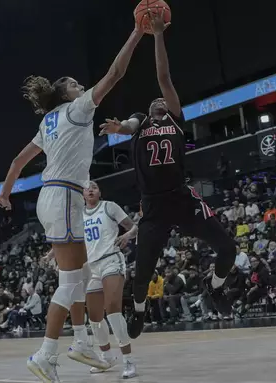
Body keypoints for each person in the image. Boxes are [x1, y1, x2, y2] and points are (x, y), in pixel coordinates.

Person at [0, 19, 144, 383]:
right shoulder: (77, 109)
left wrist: (5, 193)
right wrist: (138, 31)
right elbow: (116, 72)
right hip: (63, 196)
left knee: (75, 276)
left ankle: (79, 341)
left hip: (56, 197)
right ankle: (47, 352)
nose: (82, 87)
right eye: (76, 85)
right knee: (72, 279)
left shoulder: (47, 122)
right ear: (68, 96)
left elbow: (17, 162)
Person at [99, 10, 236, 338]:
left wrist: (158, 34)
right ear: (148, 109)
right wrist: (120, 127)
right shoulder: (140, 122)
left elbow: (164, 78)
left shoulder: (175, 119)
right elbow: (129, 125)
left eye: (164, 100)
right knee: (142, 271)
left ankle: (214, 287)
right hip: (153, 206)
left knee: (228, 249)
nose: (159, 100)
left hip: (181, 197)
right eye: (155, 101)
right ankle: (141, 311)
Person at [82, 180, 138, 378]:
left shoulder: (109, 206)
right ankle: (106, 357)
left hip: (111, 260)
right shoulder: (78, 215)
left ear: (99, 192)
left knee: (112, 308)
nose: (90, 189)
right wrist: (52, 254)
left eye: (94, 187)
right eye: (87, 187)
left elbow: (133, 227)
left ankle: (129, 360)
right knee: (94, 317)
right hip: (91, 267)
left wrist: (127, 236)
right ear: (82, 194)